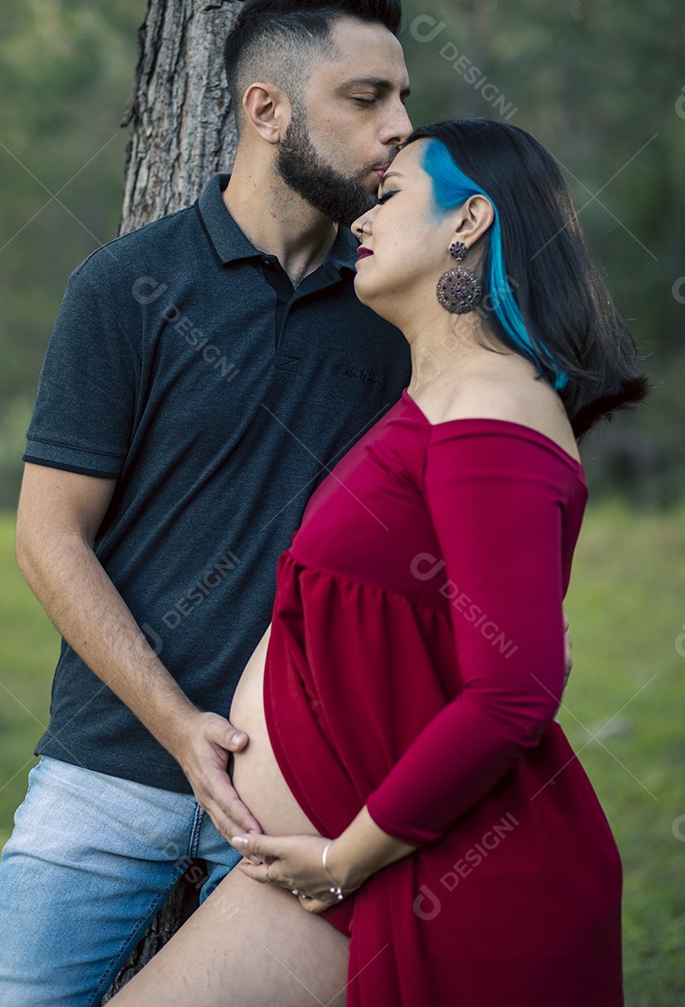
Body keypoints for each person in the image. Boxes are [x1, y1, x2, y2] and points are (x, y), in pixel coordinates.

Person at [106, 119, 647, 1007]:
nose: (363, 215)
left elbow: (515, 691)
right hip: (335, 880)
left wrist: (344, 855)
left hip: (412, 878)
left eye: (390, 195)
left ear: (469, 221)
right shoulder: (438, 402)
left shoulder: (490, 410)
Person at [0, 0, 414, 1007]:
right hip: (108, 764)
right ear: (267, 110)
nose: (398, 127)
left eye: (400, 98)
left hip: (299, 785)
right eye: (365, 98)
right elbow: (47, 538)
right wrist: (178, 724)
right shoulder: (126, 286)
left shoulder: (394, 304)